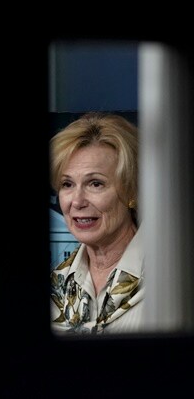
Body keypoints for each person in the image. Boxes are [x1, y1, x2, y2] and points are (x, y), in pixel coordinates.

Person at [49, 112, 144, 335]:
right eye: (67, 184)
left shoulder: (171, 279)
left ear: (131, 191)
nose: (77, 201)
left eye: (95, 184)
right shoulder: (57, 283)